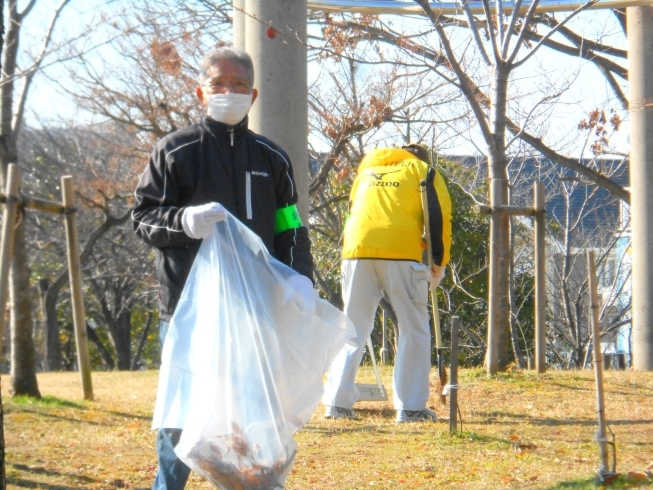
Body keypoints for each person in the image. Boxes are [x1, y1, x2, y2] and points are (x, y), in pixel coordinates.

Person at [132, 47, 314, 490]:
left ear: (252, 95)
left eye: (237, 86)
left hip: (256, 310)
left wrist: (299, 277)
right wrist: (183, 222)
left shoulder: (272, 158)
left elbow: (289, 222)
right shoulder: (175, 151)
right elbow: (142, 218)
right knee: (182, 416)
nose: (227, 92)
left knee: (254, 417)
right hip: (187, 311)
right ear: (200, 92)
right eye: (218, 84)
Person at [322, 144, 452, 423]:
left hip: (355, 251)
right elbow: (439, 219)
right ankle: (410, 407)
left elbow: (351, 213)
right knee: (413, 328)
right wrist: (438, 265)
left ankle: (337, 403)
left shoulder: (366, 171)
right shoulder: (423, 172)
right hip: (401, 252)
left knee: (352, 328)